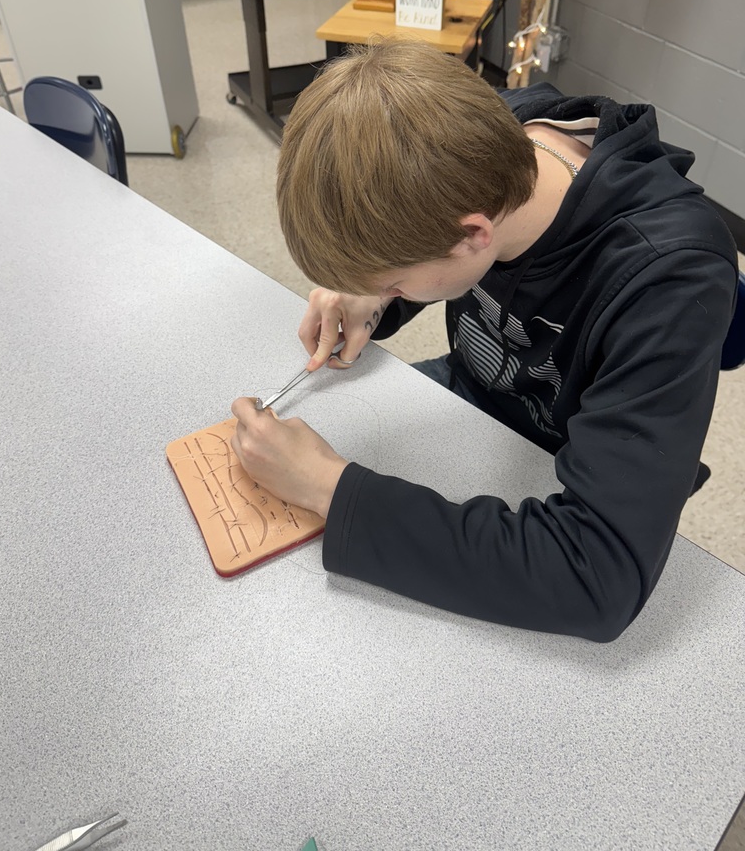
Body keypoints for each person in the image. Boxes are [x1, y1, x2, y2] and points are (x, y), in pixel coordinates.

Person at [230, 39, 738, 642]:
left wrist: (326, 486)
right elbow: (431, 251)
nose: (393, 289)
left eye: (395, 278)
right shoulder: (482, 136)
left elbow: (597, 577)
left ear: (473, 234)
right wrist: (373, 295)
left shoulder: (667, 276)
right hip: (475, 397)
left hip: (572, 464)